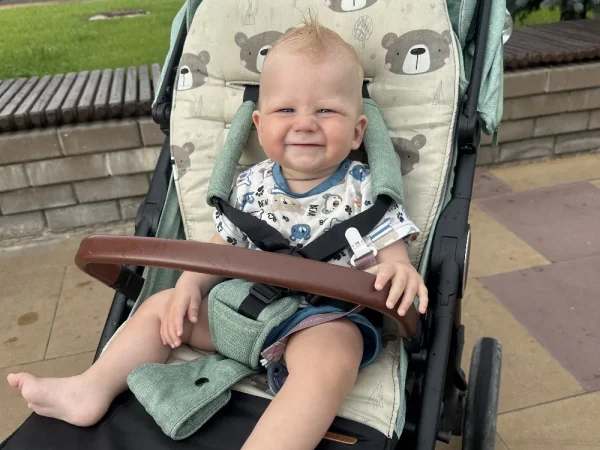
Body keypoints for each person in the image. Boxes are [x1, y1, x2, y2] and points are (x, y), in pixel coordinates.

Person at [7, 17, 428, 450]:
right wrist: (189, 286)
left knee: (334, 355)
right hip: (243, 312)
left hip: (320, 319)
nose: (304, 123)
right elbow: (221, 246)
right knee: (160, 306)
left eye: (326, 110)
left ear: (358, 131)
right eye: (286, 110)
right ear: (259, 125)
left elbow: (391, 251)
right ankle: (89, 389)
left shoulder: (365, 189)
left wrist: (399, 270)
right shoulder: (247, 185)